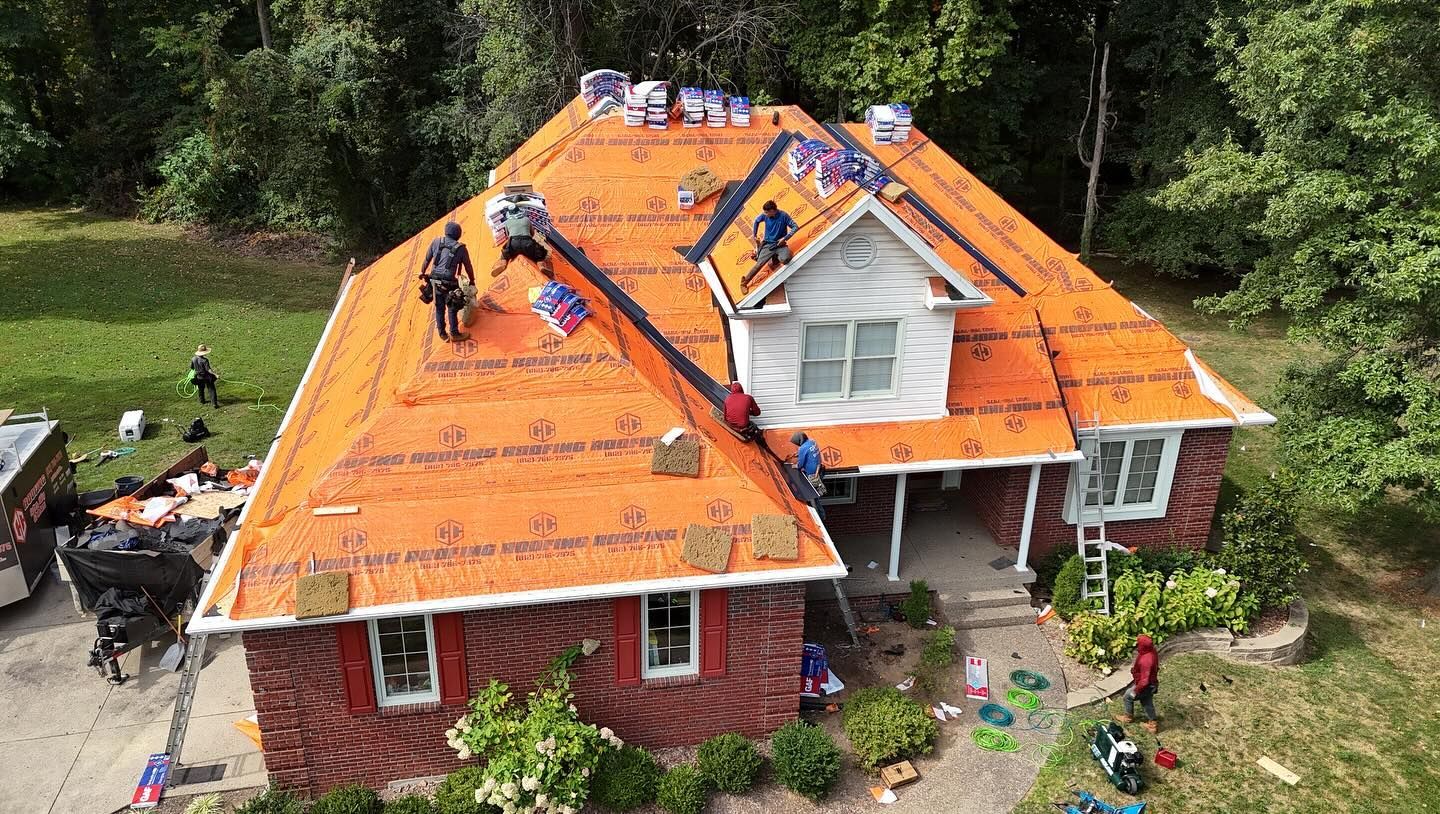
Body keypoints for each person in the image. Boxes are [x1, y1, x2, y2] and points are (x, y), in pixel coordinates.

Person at [418, 221, 476, 342]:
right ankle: (454, 333)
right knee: (452, 306)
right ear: (458, 235)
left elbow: (427, 259)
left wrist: (422, 272)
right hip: (448, 283)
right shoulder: (461, 249)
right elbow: (468, 267)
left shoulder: (436, 242)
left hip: (434, 282)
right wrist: (472, 281)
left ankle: (442, 334)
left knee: (439, 308)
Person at [741, 200, 799, 292]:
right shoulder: (764, 216)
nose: (765, 214)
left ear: (772, 210)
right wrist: (754, 235)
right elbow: (756, 221)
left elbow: (795, 227)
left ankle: (775, 257)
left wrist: (785, 238)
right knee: (759, 264)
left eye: (766, 212)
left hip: (780, 244)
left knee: (786, 259)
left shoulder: (784, 216)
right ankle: (744, 282)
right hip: (768, 244)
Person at [490, 200, 555, 280]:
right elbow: (532, 233)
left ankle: (502, 263)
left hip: (513, 243)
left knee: (504, 254)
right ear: (519, 211)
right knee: (540, 253)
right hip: (527, 242)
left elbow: (508, 236)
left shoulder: (507, 222)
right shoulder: (526, 219)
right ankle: (541, 265)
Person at [1117, 633, 1160, 733]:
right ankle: (1152, 724)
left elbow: (1144, 681)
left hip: (1146, 685)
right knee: (1146, 701)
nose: (1137, 645)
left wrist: (1136, 691)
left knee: (1127, 696)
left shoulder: (1147, 660)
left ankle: (1128, 717)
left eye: (1138, 643)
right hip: (1152, 684)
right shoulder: (1151, 651)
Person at [788, 431, 825, 496]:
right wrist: (798, 454)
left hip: (811, 474)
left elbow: (800, 464)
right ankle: (820, 489)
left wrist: (795, 466)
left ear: (799, 441)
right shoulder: (812, 442)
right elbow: (809, 452)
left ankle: (815, 500)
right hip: (818, 468)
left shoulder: (802, 448)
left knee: (812, 493)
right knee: (817, 486)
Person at [190, 344, 220, 409]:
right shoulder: (205, 360)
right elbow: (208, 370)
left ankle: (202, 400)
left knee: (201, 388)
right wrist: (215, 374)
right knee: (211, 389)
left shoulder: (193, 359)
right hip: (207, 377)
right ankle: (214, 403)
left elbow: (192, 368)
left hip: (198, 377)